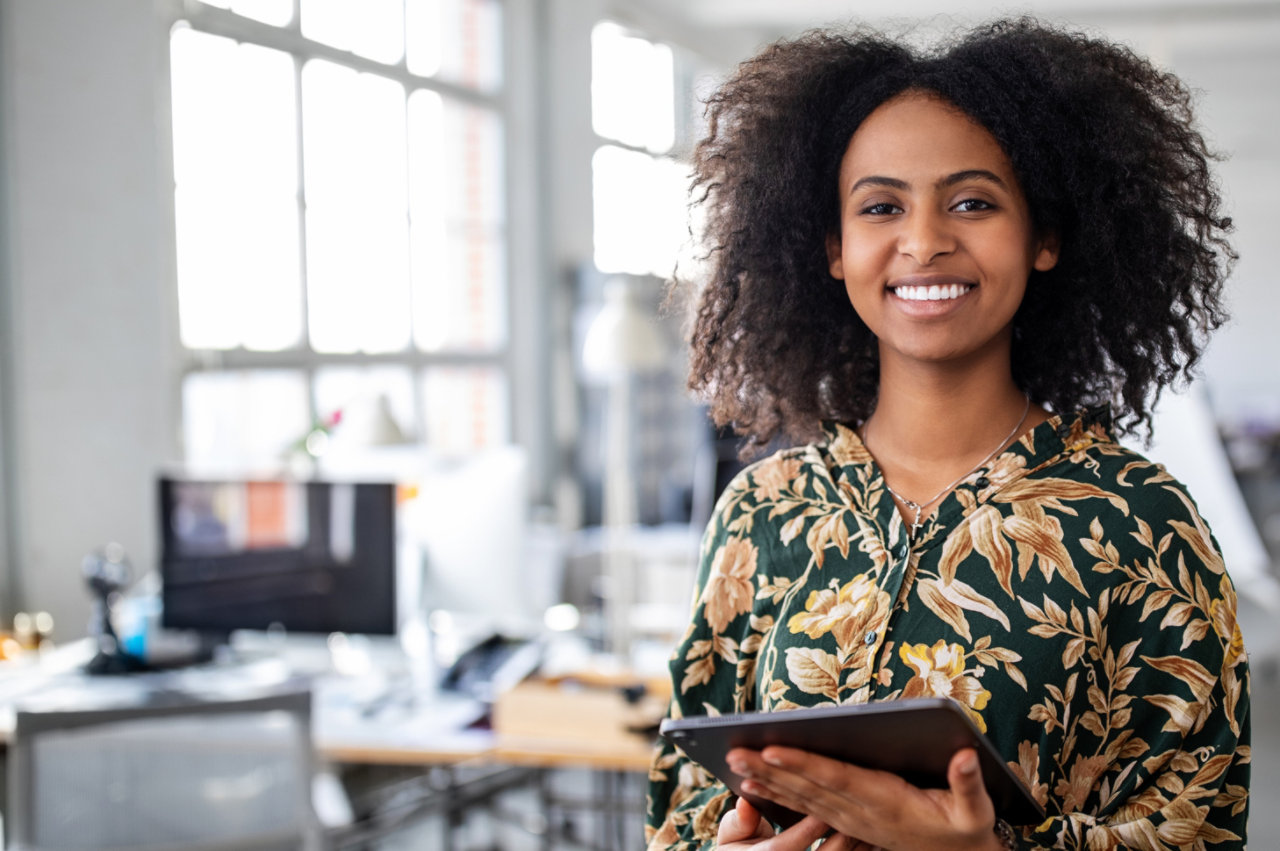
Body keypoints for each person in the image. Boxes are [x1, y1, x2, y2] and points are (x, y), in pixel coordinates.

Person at [645, 17, 1250, 851]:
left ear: (1044, 237)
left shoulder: (1141, 523)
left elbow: (1202, 828)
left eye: (972, 202)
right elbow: (681, 806)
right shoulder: (762, 514)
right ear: (833, 247)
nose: (924, 242)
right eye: (881, 206)